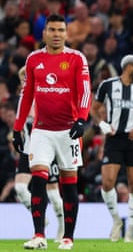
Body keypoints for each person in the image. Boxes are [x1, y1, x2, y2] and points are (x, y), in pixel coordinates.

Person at [12, 14, 92, 250]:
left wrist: (81, 119)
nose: (56, 34)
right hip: (41, 131)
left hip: (69, 131)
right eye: (52, 30)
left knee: (69, 185)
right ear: (44, 33)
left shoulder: (77, 58)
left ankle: (68, 238)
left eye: (61, 30)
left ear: (66, 34)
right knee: (38, 180)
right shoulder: (33, 59)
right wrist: (17, 129)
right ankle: (39, 235)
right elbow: (26, 95)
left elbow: (85, 91)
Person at [91, 54, 133, 242]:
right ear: (129, 67)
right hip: (114, 138)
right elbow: (93, 109)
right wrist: (101, 124)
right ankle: (116, 220)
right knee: (107, 183)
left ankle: (130, 232)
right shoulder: (107, 85)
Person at [14, 66, 64, 243]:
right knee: (20, 188)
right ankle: (42, 219)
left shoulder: (44, 94)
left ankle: (62, 228)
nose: (23, 84)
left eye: (26, 80)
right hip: (28, 151)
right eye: (22, 80)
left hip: (46, 149)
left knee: (53, 194)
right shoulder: (23, 97)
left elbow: (38, 116)